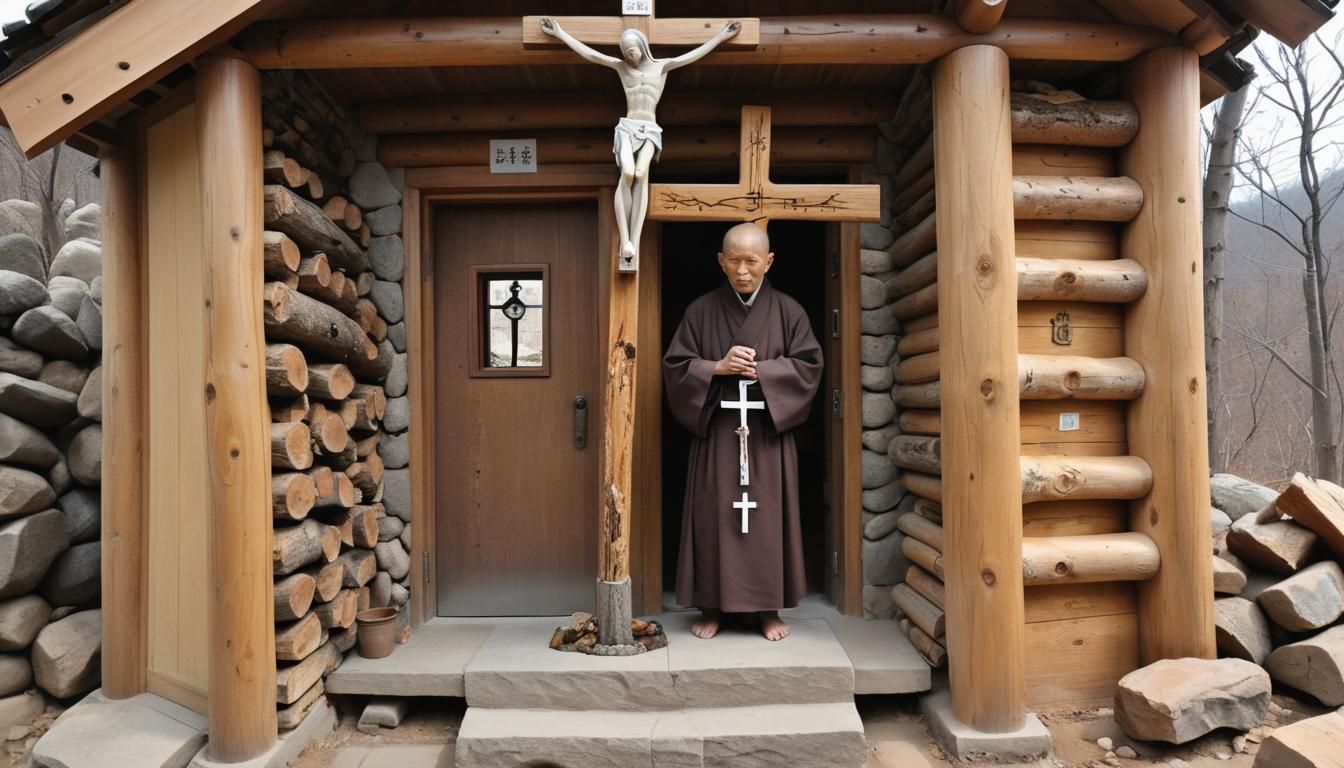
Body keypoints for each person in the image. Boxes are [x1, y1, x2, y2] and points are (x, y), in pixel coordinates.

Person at [663, 223, 823, 641]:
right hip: (719, 433)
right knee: (714, 517)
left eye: (752, 261)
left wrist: (763, 372)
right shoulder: (700, 311)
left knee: (768, 520)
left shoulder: (789, 311)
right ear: (721, 260)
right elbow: (676, 367)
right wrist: (716, 367)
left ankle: (768, 609)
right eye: (734, 260)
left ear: (769, 261)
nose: (742, 270)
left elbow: (810, 366)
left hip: (767, 435)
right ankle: (712, 607)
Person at [539, 17, 741, 267]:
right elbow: (591, 55)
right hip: (627, 127)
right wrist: (560, 34)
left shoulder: (662, 66)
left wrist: (720, 37)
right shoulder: (622, 68)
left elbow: (691, 56)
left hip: (650, 129)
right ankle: (625, 239)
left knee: (641, 173)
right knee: (627, 173)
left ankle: (633, 240)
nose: (630, 57)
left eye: (632, 51)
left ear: (642, 48)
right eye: (626, 53)